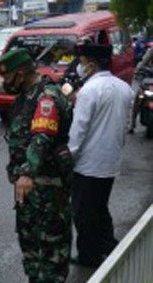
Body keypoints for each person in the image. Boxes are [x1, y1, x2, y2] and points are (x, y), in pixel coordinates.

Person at [0, 49, 74, 283]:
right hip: (27, 184)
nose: (3, 80)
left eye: (6, 74)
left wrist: (27, 172)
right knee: (29, 234)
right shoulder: (25, 98)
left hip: (46, 182)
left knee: (50, 238)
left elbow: (41, 137)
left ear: (20, 73)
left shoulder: (46, 98)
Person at [67, 44, 134, 267]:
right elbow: (125, 125)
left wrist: (68, 157)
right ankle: (108, 245)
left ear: (92, 65)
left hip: (88, 163)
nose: (79, 66)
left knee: (84, 211)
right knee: (99, 206)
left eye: (82, 62)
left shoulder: (89, 90)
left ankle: (89, 255)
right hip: (110, 160)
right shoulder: (124, 88)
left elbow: (79, 129)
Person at [129, 45, 153, 134]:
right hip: (150, 81)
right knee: (139, 97)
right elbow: (143, 62)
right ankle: (132, 124)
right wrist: (137, 70)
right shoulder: (151, 50)